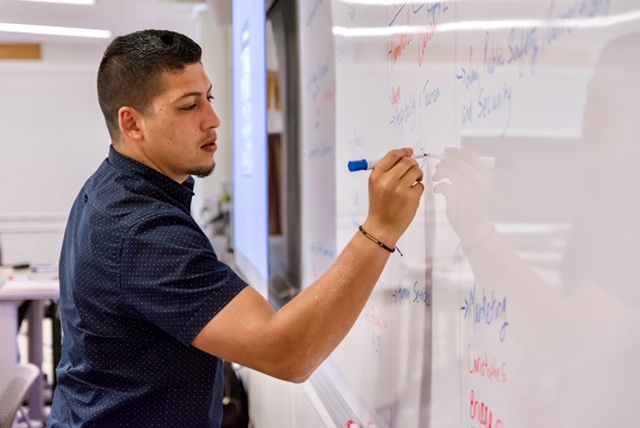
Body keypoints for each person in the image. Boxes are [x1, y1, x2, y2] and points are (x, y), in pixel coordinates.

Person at [48, 29, 424, 427]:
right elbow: (287, 353)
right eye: (188, 106)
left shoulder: (114, 186)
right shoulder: (141, 230)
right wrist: (379, 228)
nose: (213, 120)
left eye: (208, 98)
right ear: (133, 123)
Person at [432, 31, 640, 428]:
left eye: (613, 105)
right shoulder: (603, 193)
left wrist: (476, 229)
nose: (592, 119)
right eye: (591, 99)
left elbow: (569, 340)